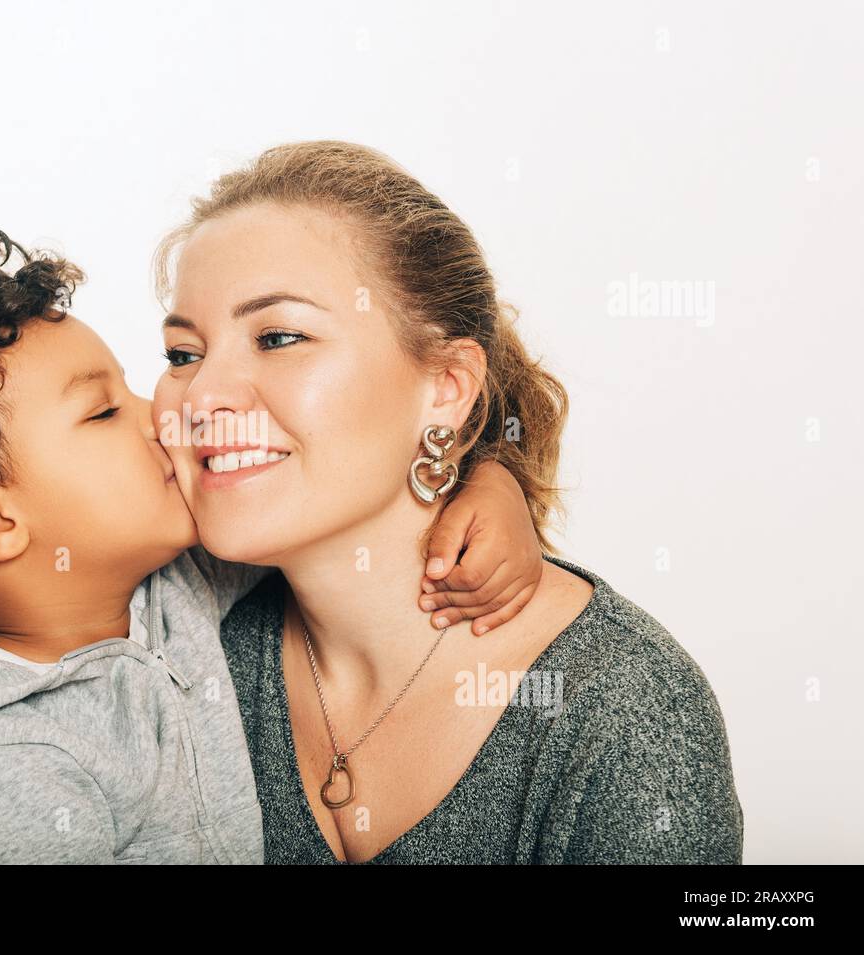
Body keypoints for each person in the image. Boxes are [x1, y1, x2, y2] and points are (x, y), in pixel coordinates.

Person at [0, 221, 543, 863]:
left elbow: (320, 501)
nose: (167, 412)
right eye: (103, 413)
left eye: (143, 381)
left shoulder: (171, 582)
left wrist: (486, 482)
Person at [151, 140, 744, 863]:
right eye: (183, 355)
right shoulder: (179, 647)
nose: (203, 396)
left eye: (278, 337)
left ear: (447, 387)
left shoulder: (620, 713)